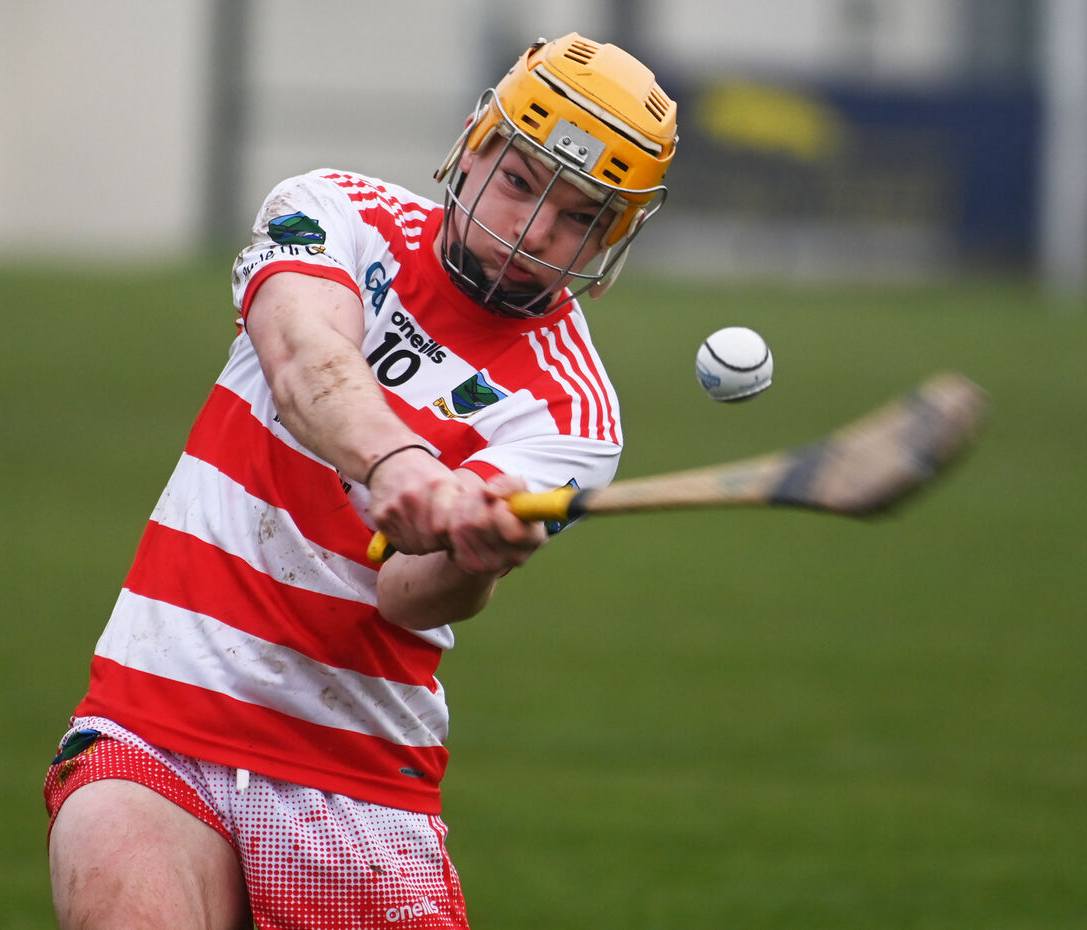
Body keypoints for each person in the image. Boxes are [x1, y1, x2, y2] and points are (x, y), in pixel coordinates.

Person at [44, 32, 677, 930]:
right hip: (156, 717)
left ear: (614, 240)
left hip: (358, 774)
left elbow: (408, 597)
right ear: (471, 145)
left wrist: (478, 558)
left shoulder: (572, 413)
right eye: (521, 180)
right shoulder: (334, 209)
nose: (533, 233)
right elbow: (306, 361)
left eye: (580, 217)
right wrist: (400, 462)